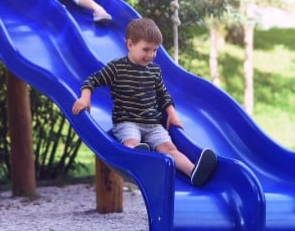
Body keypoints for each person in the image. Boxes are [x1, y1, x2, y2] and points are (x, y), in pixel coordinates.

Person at [72, 17, 218, 186]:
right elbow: (92, 81)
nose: (150, 55)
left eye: (155, 50)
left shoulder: (154, 71)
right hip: (127, 122)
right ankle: (138, 155)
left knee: (170, 149)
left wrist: (171, 113)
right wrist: (85, 98)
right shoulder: (117, 68)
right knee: (131, 142)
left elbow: (163, 95)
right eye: (146, 49)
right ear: (130, 45)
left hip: (153, 124)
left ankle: (193, 171)